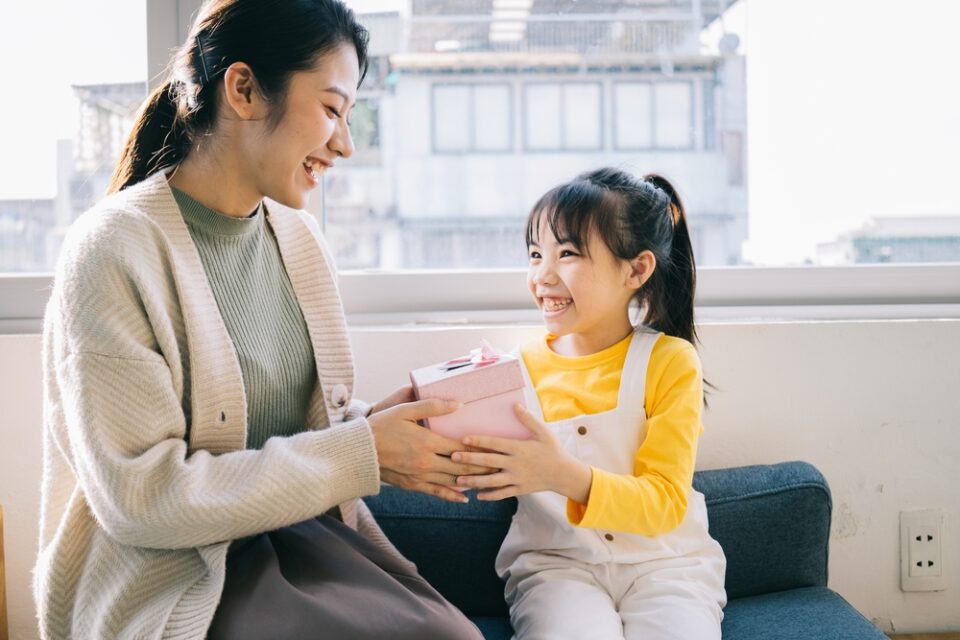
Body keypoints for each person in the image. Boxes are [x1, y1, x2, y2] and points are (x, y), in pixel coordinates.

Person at [34, 1, 487, 638]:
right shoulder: (113, 250)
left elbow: (287, 427)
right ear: (244, 89)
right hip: (173, 575)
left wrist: (377, 427)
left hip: (294, 543)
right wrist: (361, 451)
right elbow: (144, 501)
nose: (347, 144)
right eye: (331, 110)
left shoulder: (299, 240)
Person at [452, 167, 728, 639]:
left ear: (636, 270)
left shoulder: (670, 363)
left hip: (666, 565)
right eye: (536, 253)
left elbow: (664, 501)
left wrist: (562, 474)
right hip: (558, 569)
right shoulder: (511, 372)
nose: (542, 275)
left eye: (568, 254)